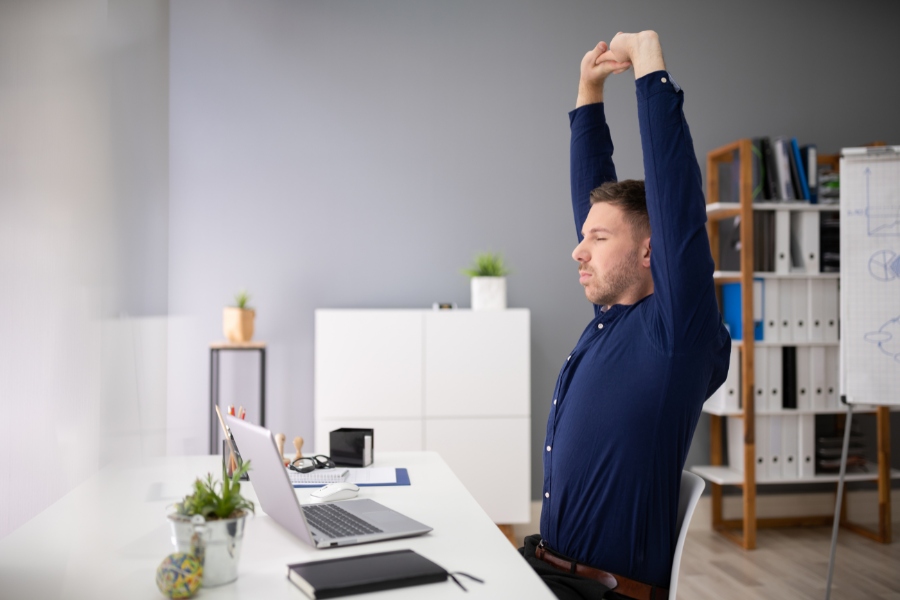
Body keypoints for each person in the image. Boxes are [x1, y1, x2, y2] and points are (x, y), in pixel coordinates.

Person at [518, 31, 731, 600]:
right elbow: (590, 198)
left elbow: (675, 198)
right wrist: (588, 90)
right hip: (551, 575)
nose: (577, 249)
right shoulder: (612, 317)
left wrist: (648, 67)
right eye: (583, 236)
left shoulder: (677, 334)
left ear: (650, 251)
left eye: (598, 238)